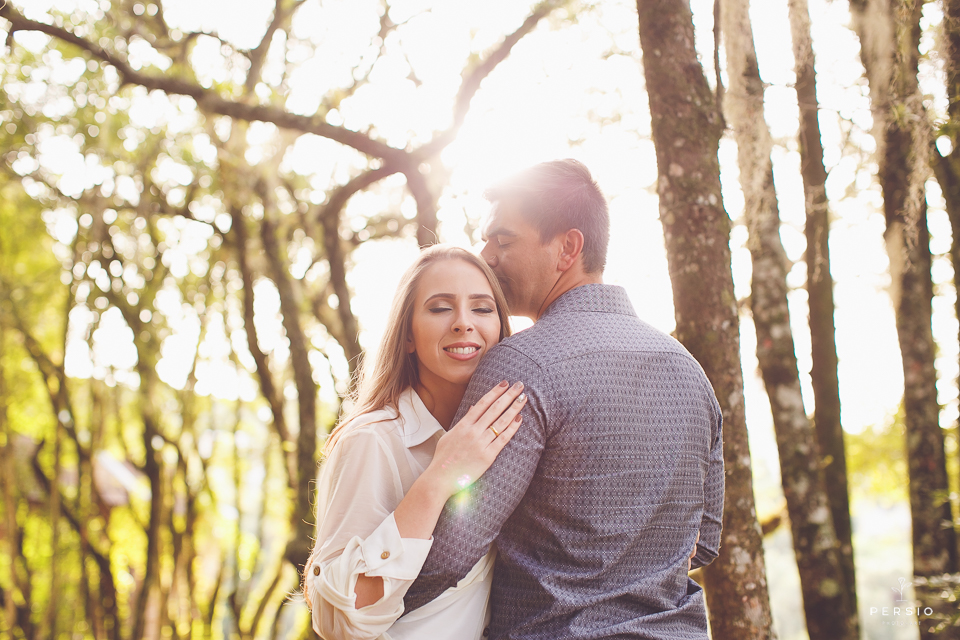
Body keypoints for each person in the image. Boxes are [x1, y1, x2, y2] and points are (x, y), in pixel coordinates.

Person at [402, 159, 725, 639]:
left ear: (568, 247)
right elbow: (705, 542)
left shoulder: (520, 366)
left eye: (504, 239)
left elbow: (448, 554)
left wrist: (357, 591)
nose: (486, 255)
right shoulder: (689, 371)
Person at [302, 245, 528, 640]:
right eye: (440, 308)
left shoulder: (513, 436)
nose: (463, 323)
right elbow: (335, 619)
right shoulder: (371, 440)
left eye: (482, 308)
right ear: (408, 335)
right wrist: (440, 477)